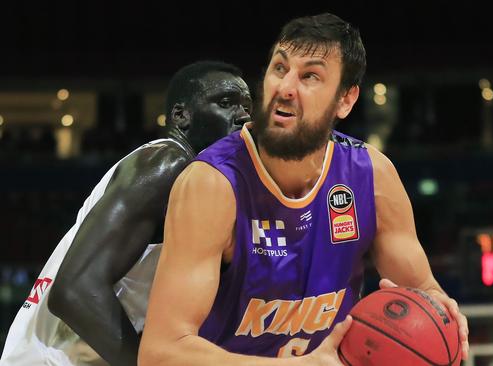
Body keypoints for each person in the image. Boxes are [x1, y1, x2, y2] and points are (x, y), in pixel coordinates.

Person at [139, 13, 469, 366]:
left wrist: (442, 316)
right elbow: (161, 353)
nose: (285, 87)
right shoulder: (212, 184)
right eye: (280, 68)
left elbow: (423, 289)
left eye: (310, 76)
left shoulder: (372, 176)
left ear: (345, 99)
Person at [0, 60, 252, 366]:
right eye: (226, 103)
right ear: (181, 116)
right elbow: (75, 290)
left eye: (247, 106)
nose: (242, 116)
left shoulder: (203, 181)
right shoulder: (166, 163)